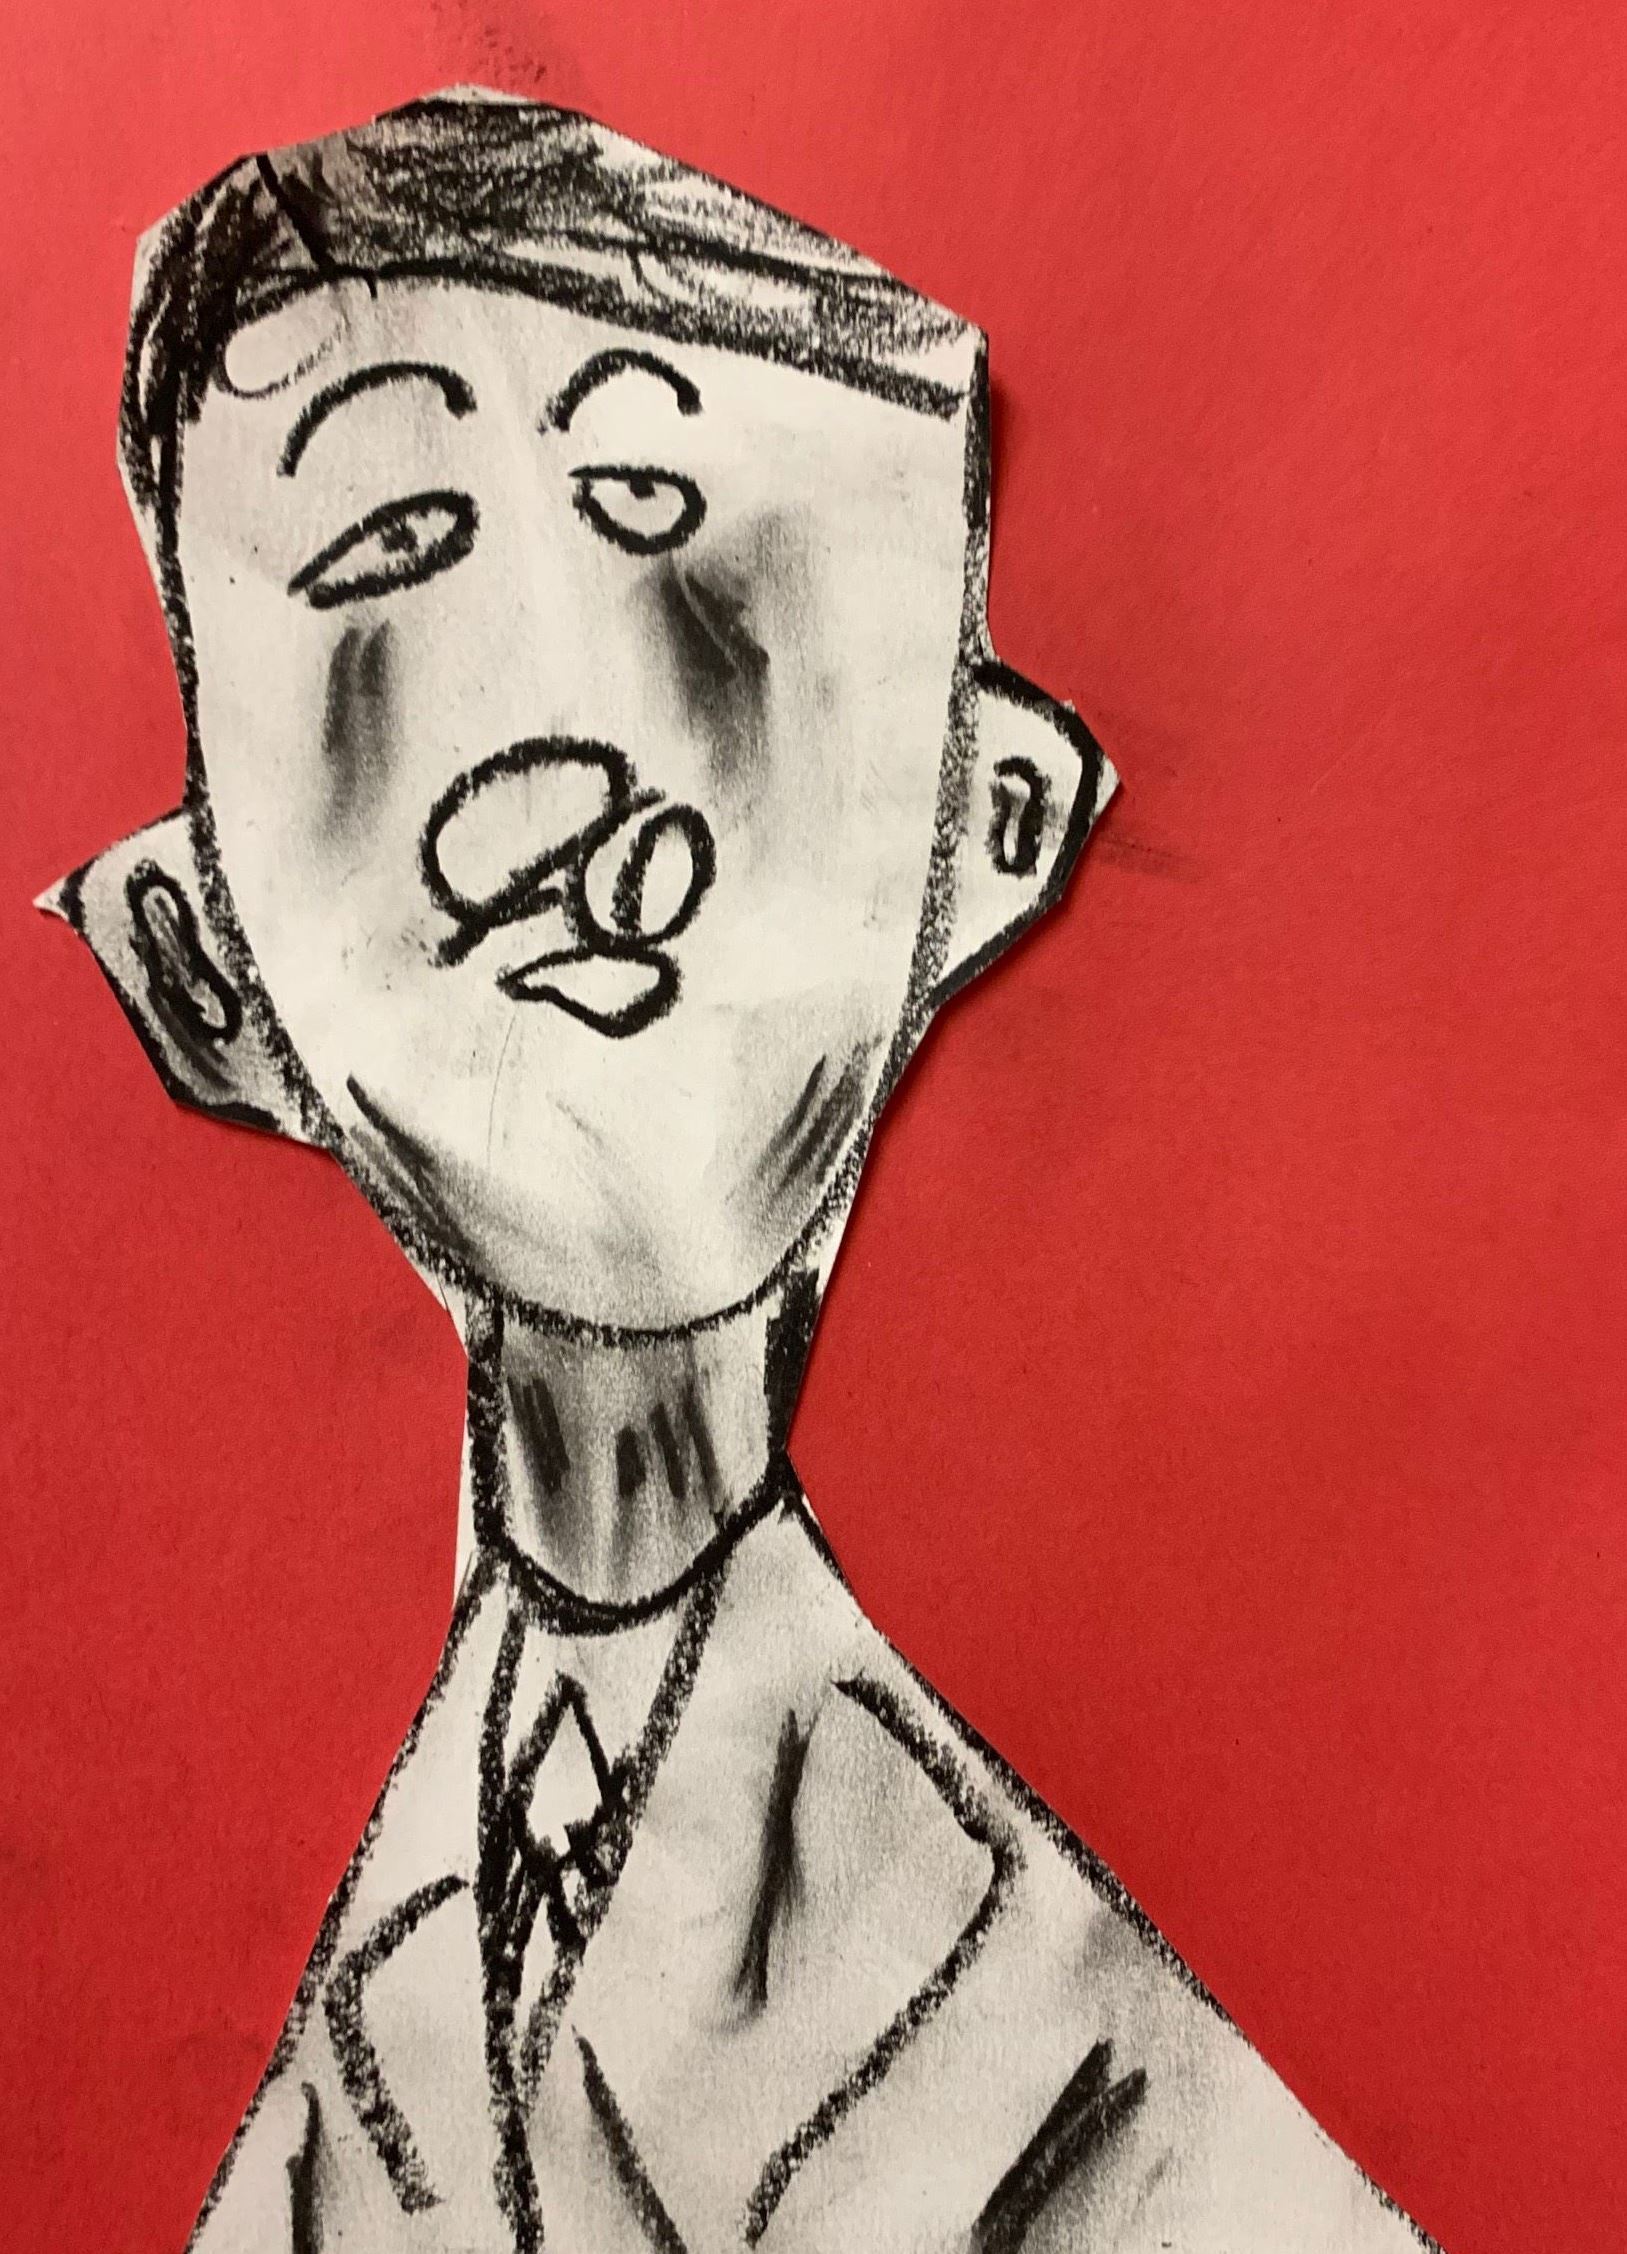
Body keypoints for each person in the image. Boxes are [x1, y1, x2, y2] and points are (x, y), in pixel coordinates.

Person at [45, 87, 1438, 2254]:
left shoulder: (1110, 2053)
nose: (553, 754)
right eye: (385, 549)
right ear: (193, 965)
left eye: (658, 508)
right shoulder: (353, 2006)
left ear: (991, 817)